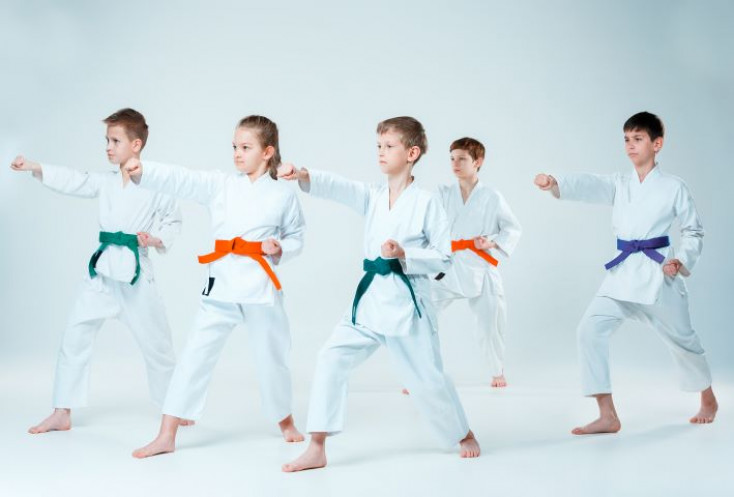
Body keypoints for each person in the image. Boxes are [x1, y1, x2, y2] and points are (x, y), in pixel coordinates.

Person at [280, 116, 480, 472]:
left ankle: (463, 432)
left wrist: (405, 254)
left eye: (390, 146)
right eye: (379, 146)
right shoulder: (374, 195)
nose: (381, 153)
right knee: (330, 357)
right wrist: (305, 174)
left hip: (408, 306)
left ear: (412, 152)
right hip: (370, 301)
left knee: (428, 379)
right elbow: (339, 187)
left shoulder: (426, 202)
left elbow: (444, 257)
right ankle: (318, 445)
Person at [128, 115, 306, 458]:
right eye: (235, 147)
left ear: (268, 152)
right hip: (221, 284)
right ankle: (167, 433)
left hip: (260, 288)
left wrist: (280, 247)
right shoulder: (221, 184)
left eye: (246, 147)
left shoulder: (283, 194)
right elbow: (183, 179)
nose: (237, 154)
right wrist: (144, 170)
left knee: (273, 356)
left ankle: (285, 420)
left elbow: (297, 235)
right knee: (194, 355)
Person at [534, 111, 718, 435]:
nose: (630, 146)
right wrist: (556, 182)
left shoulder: (674, 187)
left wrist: (681, 260)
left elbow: (694, 231)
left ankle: (708, 398)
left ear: (656, 144)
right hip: (622, 274)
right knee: (588, 330)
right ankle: (607, 414)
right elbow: (590, 184)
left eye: (638, 139)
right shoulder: (620, 184)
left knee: (683, 341)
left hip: (660, 276)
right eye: (626, 140)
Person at [11, 108, 182, 434]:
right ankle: (62, 410)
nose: (107, 146)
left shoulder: (158, 182)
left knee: (158, 344)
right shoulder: (105, 182)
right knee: (75, 335)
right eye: (106, 140)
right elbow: (75, 180)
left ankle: (175, 407)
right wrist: (36, 167)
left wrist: (156, 238)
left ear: (136, 145)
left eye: (115, 140)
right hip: (102, 273)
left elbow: (173, 221)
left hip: (135, 274)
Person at [432, 137, 521, 388]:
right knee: (424, 315)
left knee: (491, 320)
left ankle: (496, 370)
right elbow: (428, 224)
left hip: (480, 266)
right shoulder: (443, 193)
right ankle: (424, 372)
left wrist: (491, 243)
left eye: (462, 158)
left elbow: (513, 228)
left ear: (478, 161)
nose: (455, 164)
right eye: (452, 158)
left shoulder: (491, 196)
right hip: (447, 265)